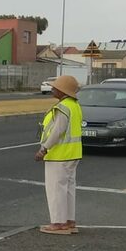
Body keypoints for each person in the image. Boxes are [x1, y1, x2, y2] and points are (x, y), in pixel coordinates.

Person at [34, 74, 83, 234]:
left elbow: (57, 131)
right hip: (73, 153)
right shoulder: (75, 105)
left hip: (59, 155)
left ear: (63, 91)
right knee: (68, 189)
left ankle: (58, 223)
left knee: (56, 189)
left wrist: (44, 149)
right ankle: (69, 221)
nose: (53, 89)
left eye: (56, 87)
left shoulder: (62, 108)